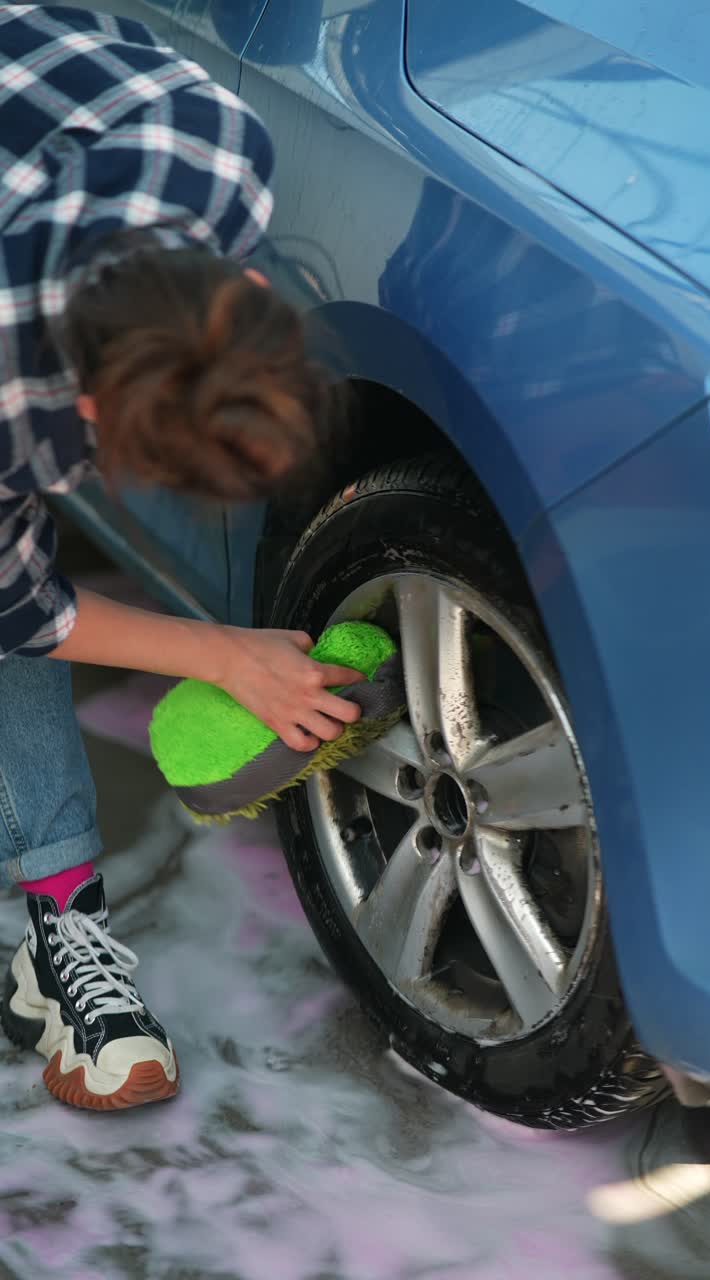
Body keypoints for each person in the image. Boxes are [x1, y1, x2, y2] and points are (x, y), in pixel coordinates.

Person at [0, 4, 363, 1110]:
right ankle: (62, 926)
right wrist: (219, 655)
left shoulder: (213, 142)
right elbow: (15, 608)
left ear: (247, 288)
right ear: (95, 404)